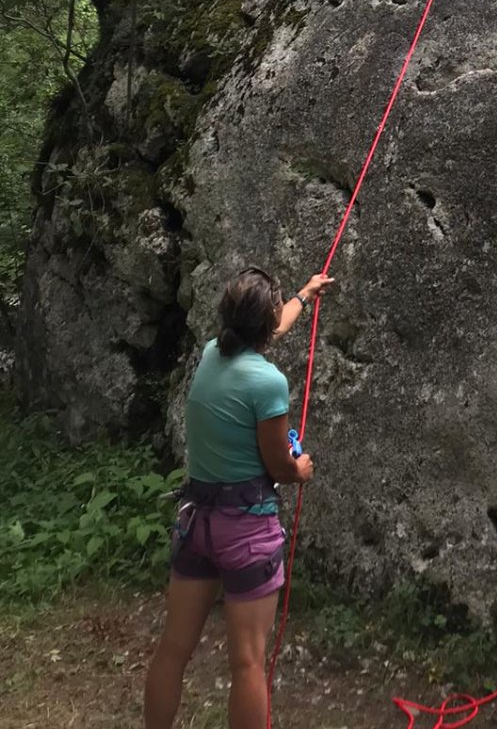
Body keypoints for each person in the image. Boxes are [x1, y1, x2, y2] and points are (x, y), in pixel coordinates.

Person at [144, 264, 334, 729]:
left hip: (196, 523)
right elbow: (279, 468)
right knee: (247, 663)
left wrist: (305, 296)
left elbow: (274, 326)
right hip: (246, 530)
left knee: (173, 648)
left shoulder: (212, 354)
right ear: (262, 324)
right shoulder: (268, 384)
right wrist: (301, 468)